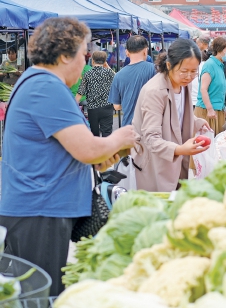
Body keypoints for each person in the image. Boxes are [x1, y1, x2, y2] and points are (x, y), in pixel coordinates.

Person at [0, 17, 136, 296]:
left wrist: (104, 153)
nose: (85, 63)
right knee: (40, 294)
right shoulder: (46, 87)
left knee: (39, 290)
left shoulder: (39, 83)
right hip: (39, 208)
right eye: (83, 55)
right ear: (64, 55)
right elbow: (86, 149)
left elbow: (76, 150)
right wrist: (121, 137)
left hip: (41, 206)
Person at [133, 39, 210, 192]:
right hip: (155, 162)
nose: (189, 76)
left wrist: (195, 121)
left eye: (194, 71)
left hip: (176, 160)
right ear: (169, 65)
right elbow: (151, 138)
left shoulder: (183, 85)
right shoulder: (155, 92)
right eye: (184, 71)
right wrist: (180, 149)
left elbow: (176, 116)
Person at [108, 35, 156, 126]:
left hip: (128, 129)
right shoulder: (155, 70)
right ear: (146, 51)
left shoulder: (118, 76)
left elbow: (116, 106)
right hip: (150, 127)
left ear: (127, 53)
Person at [195, 37, 226, 135]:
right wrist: (210, 109)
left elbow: (218, 95)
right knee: (207, 144)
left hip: (217, 112)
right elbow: (203, 89)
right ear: (219, 49)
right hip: (207, 112)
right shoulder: (210, 65)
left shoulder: (220, 65)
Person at [76, 51, 116, 137]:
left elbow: (80, 92)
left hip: (92, 109)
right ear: (105, 61)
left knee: (94, 134)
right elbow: (117, 79)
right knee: (107, 133)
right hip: (107, 107)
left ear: (92, 61)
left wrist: (74, 105)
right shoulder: (109, 73)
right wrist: (108, 67)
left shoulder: (87, 74)